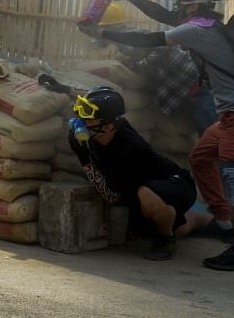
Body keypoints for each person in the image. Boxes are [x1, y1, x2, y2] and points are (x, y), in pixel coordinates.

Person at [88, 0, 234, 271]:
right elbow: (165, 16)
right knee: (200, 158)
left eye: (182, 5)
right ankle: (223, 224)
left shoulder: (196, 30)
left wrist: (102, 32)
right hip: (230, 114)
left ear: (195, 4)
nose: (178, 12)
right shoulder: (207, 25)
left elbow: (151, 39)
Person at [63, 86, 212, 260]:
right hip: (147, 191)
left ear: (109, 125)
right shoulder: (103, 131)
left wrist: (84, 159)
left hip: (176, 184)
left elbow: (110, 195)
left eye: (90, 118)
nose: (83, 121)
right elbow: (91, 98)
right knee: (171, 227)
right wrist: (63, 88)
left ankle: (165, 239)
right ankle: (205, 220)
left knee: (146, 195)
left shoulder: (128, 150)